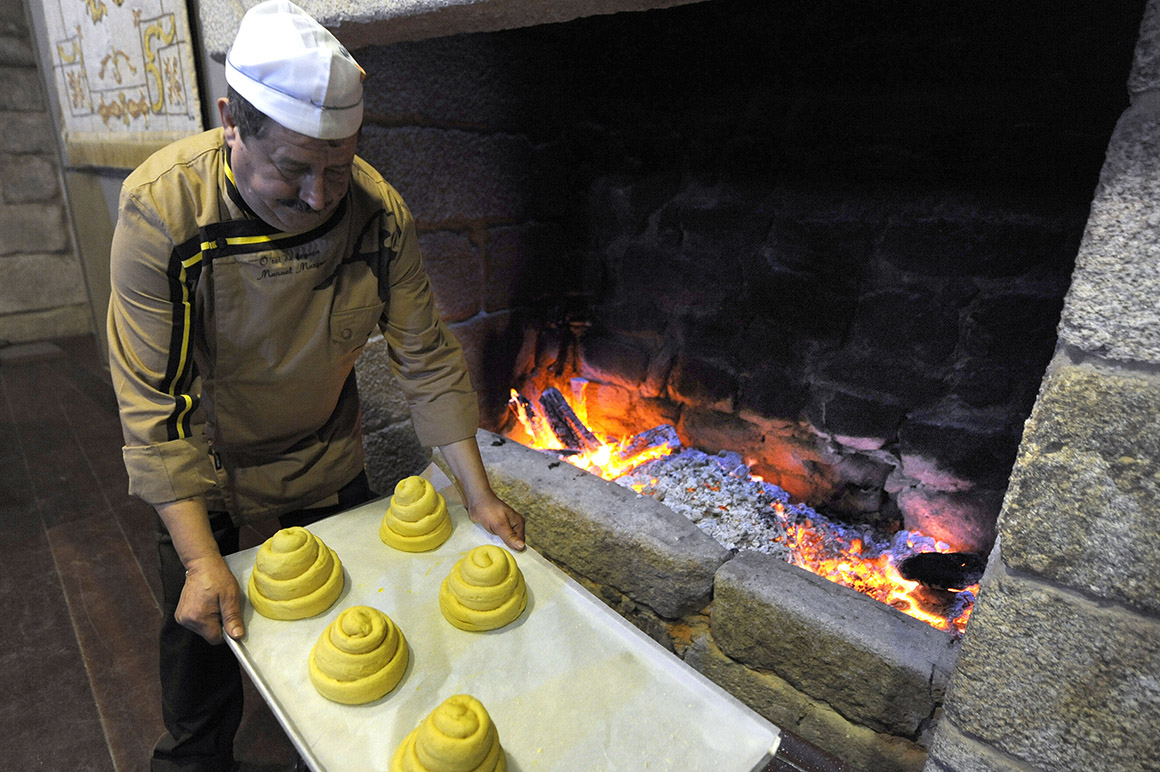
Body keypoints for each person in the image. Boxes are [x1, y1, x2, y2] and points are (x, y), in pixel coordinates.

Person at [106, 2, 525, 770]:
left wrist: (479, 495)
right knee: (200, 690)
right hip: (214, 481)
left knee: (361, 654)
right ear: (231, 121)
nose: (318, 195)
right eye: (294, 168)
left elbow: (425, 355)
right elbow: (154, 405)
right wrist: (202, 561)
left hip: (326, 461)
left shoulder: (375, 212)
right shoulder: (162, 212)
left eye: (338, 167)